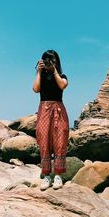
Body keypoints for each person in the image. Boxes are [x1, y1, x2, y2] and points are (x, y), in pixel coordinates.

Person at [32, 49, 69, 190]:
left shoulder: (61, 75)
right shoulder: (41, 75)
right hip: (44, 110)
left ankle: (58, 175)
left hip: (59, 110)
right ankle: (46, 176)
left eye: (52, 59)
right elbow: (35, 89)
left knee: (60, 140)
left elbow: (63, 85)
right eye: (46, 59)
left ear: (57, 61)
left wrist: (54, 71)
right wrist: (39, 72)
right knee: (44, 141)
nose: (49, 62)